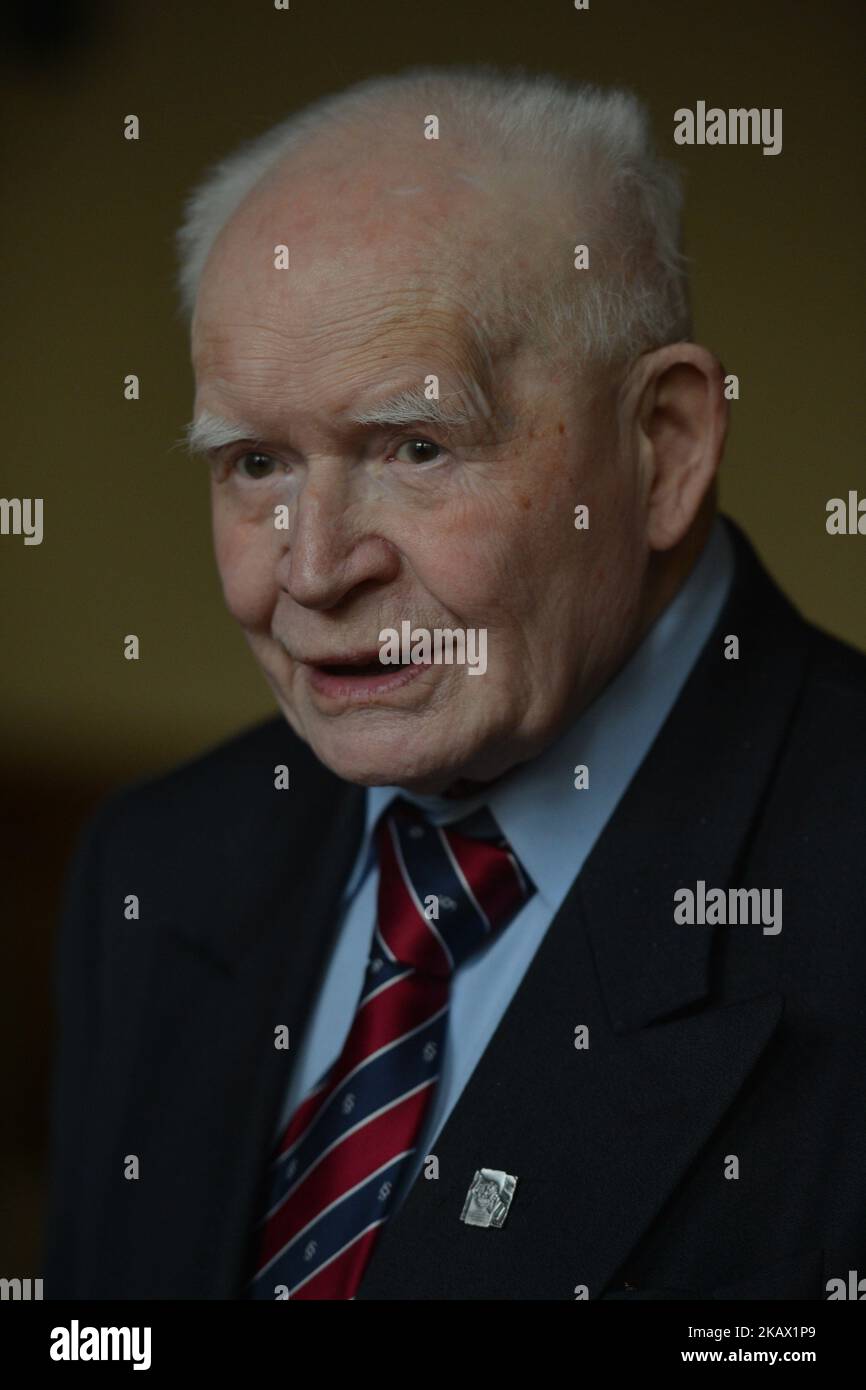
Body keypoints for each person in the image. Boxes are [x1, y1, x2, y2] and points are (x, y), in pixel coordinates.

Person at [43, 66, 866, 1301]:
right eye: (256, 463)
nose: (313, 572)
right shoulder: (155, 873)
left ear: (664, 446)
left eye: (415, 449)